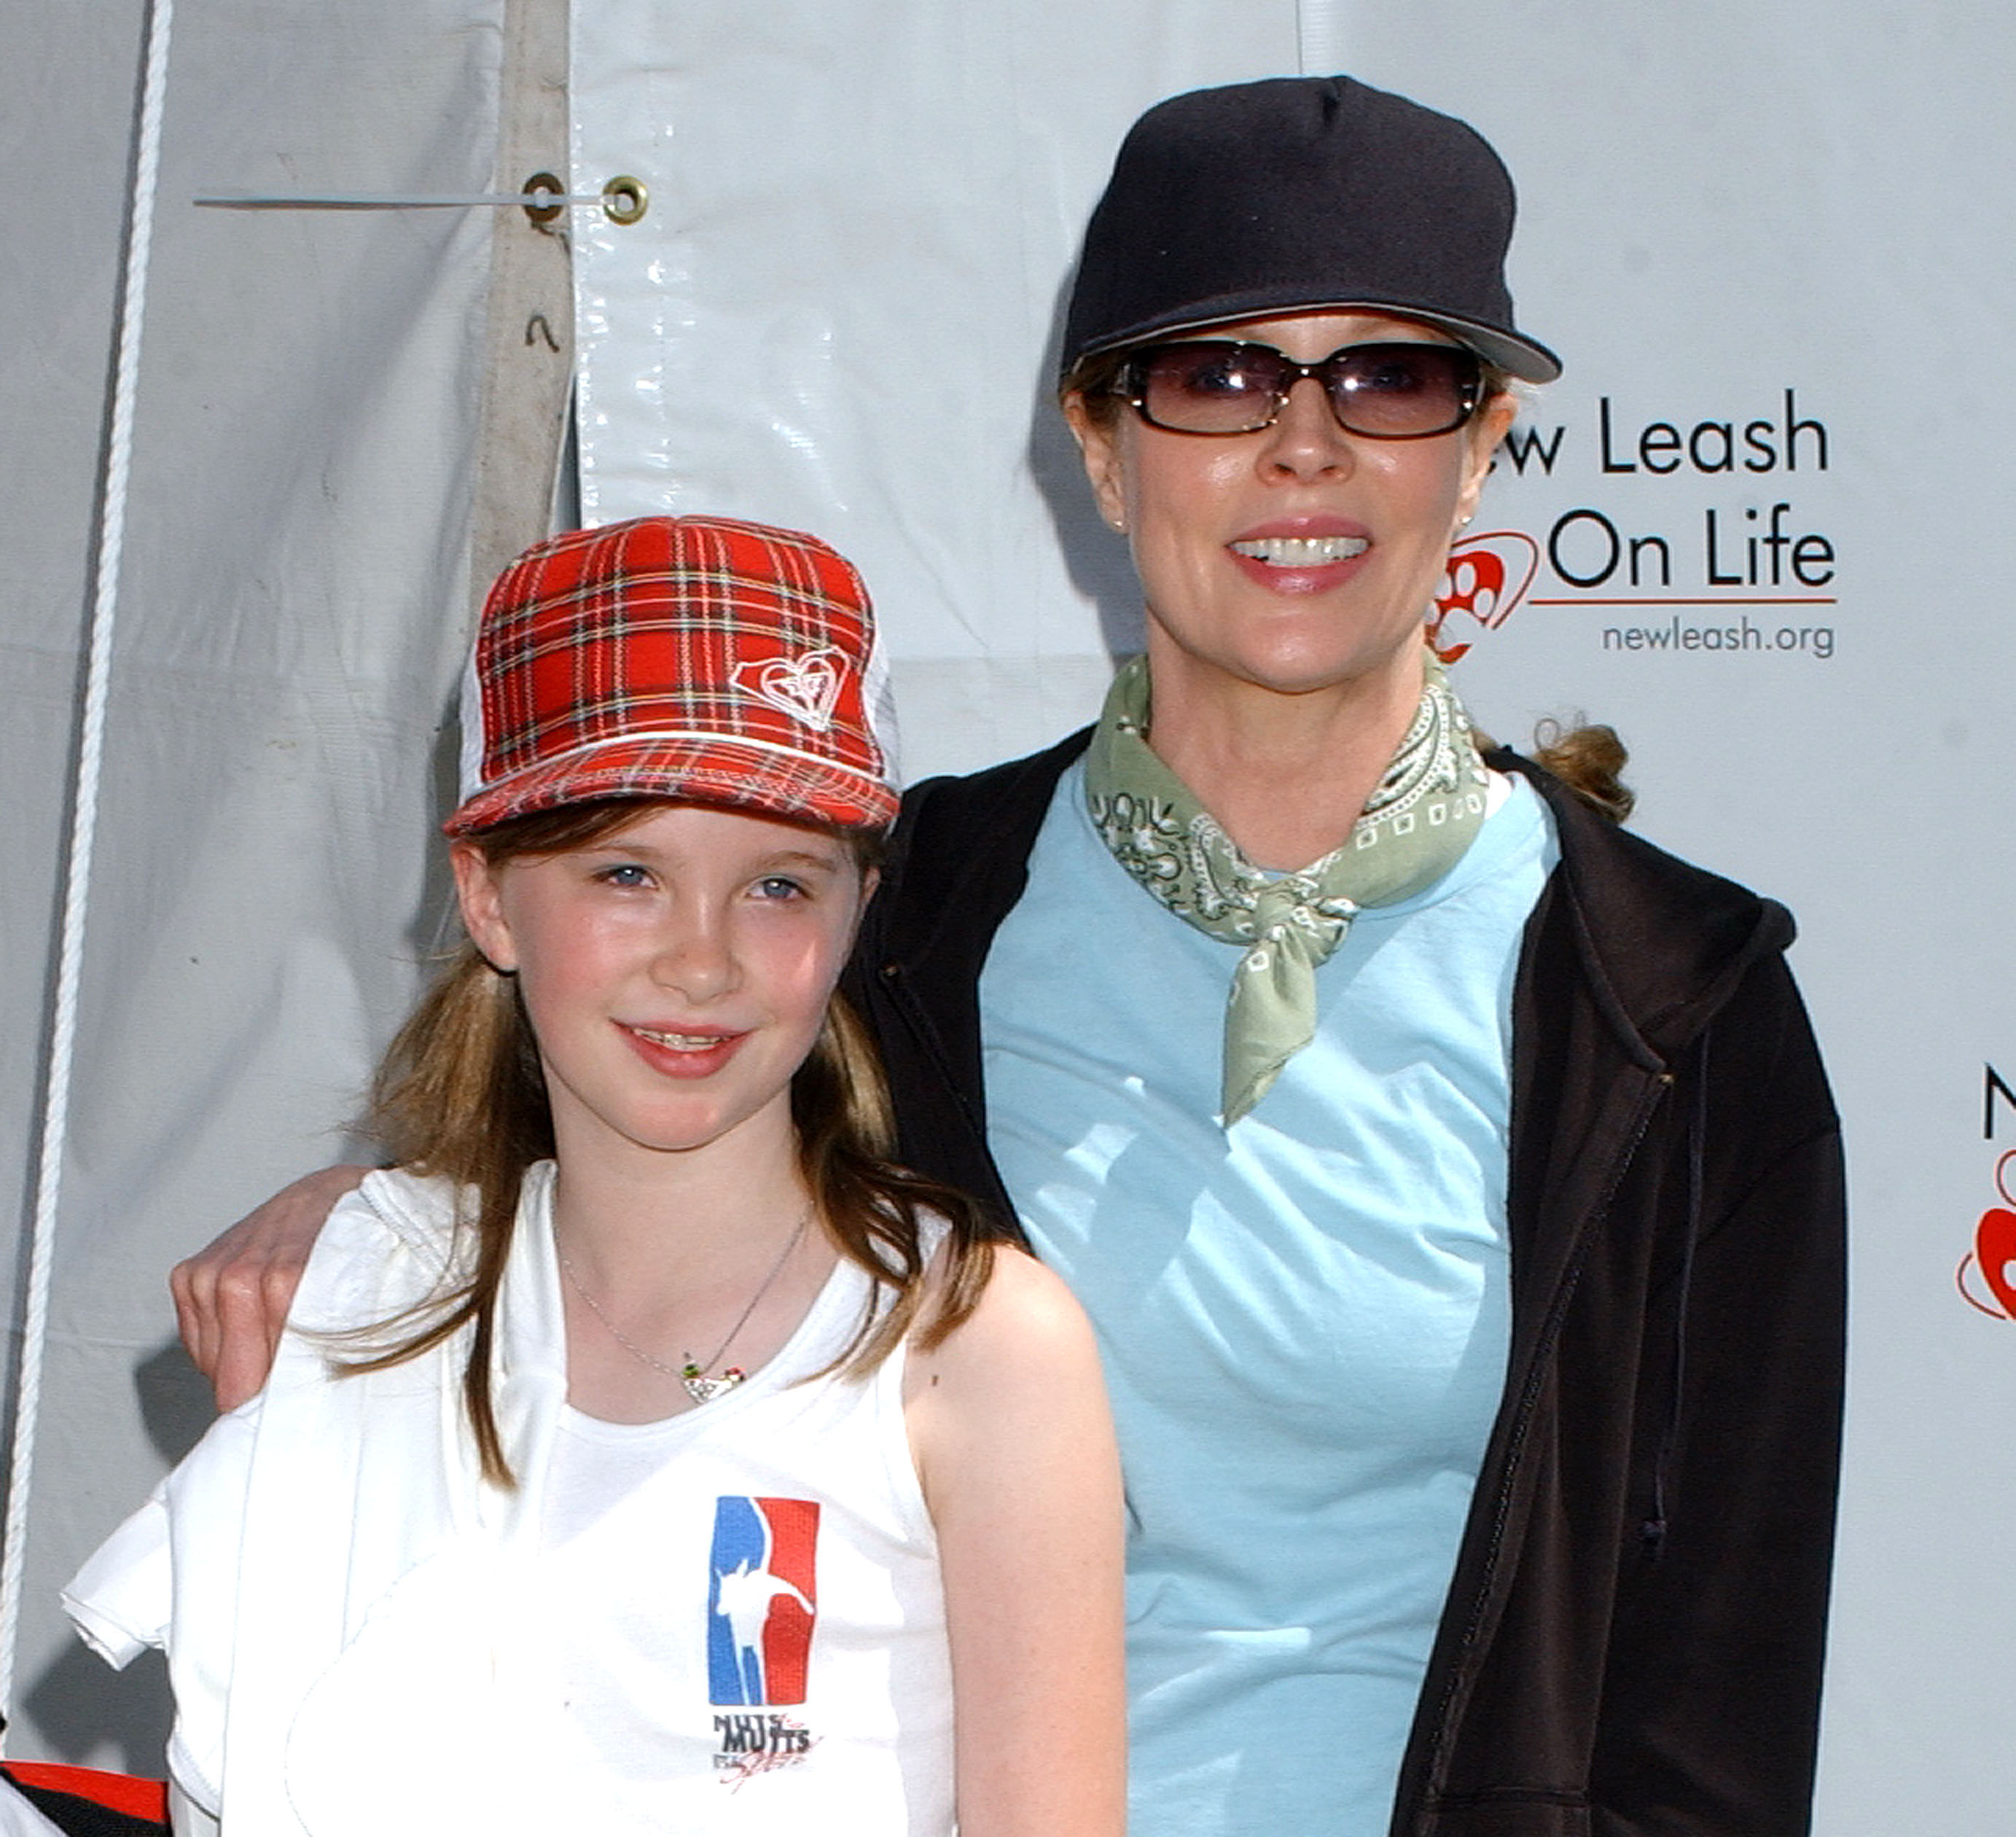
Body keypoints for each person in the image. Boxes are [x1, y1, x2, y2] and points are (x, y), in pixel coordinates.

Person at [171, 75, 1845, 1837]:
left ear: (1483, 438)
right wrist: (387, 1209)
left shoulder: (1676, 1005)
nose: (1303, 448)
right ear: (1100, 446)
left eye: (1388, 376)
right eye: (1217, 375)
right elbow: (635, 1092)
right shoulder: (904, 912)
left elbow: (1715, 1721)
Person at [66, 515, 1125, 1837]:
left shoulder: (973, 1341)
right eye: (627, 872)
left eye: (780, 886)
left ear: (859, 906)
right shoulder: (352, 1308)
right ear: (490, 898)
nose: (702, 960)